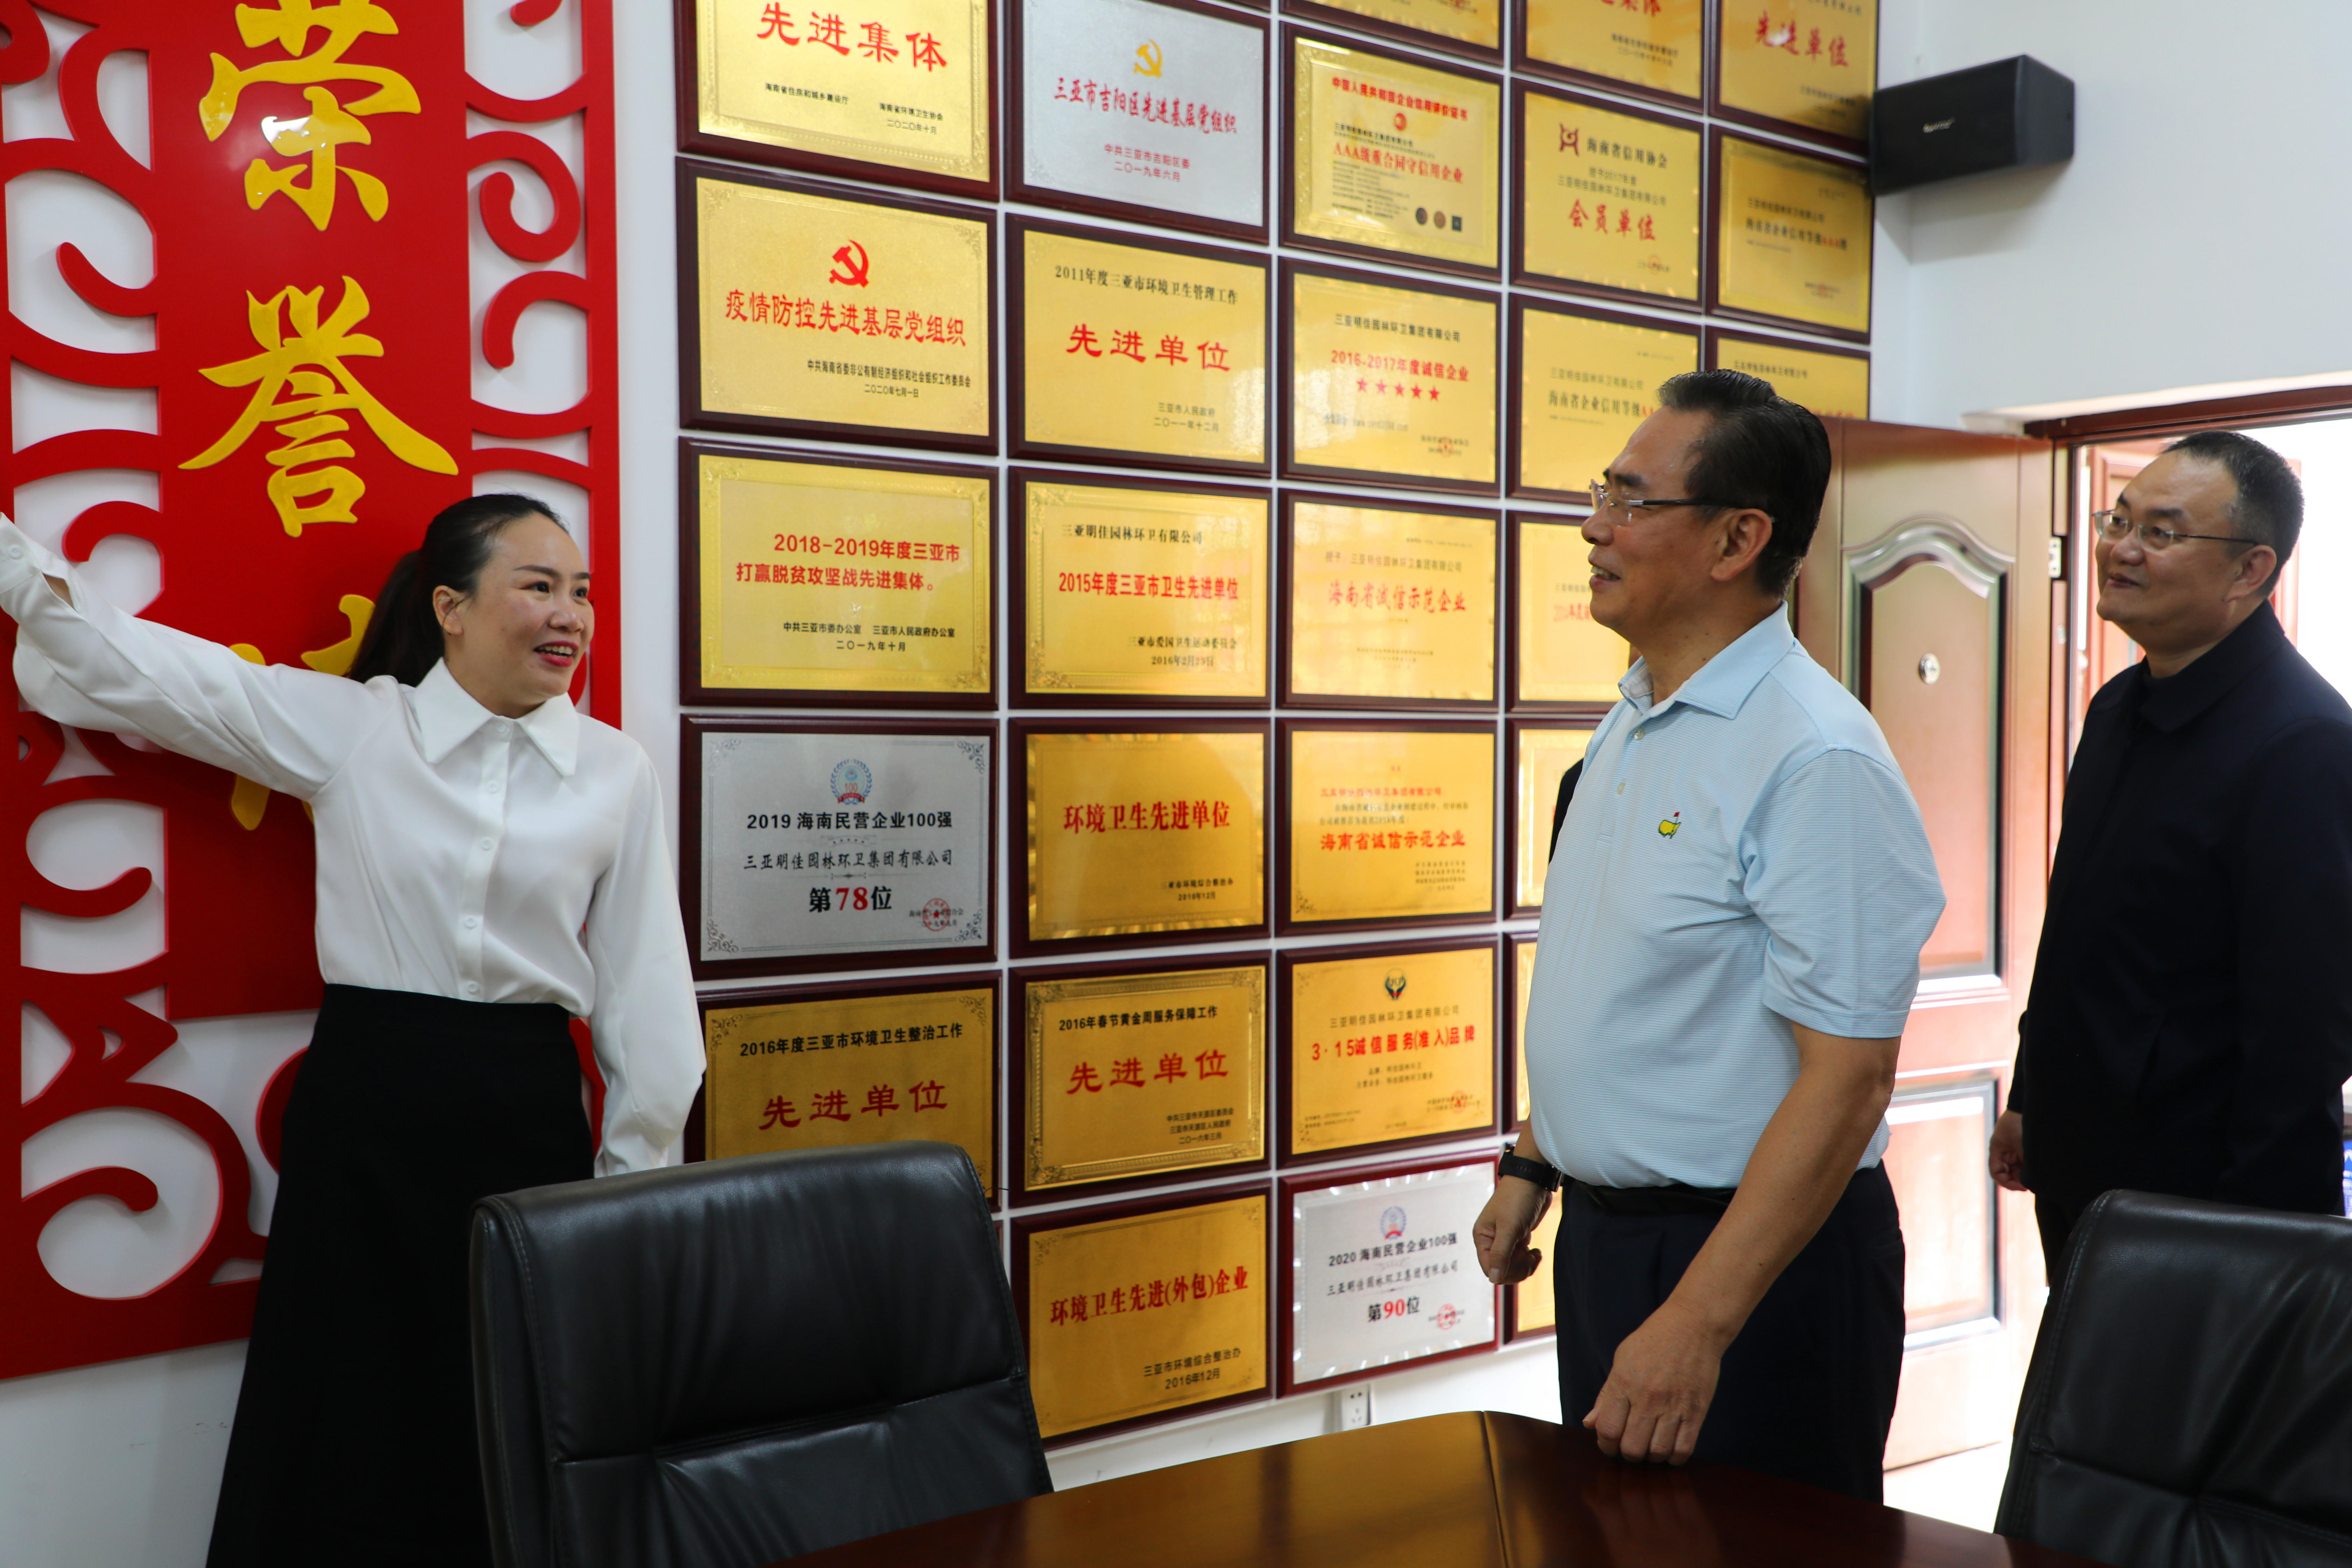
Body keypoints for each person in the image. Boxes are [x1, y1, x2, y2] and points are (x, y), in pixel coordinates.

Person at [0, 496, 702, 1568]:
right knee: (346, 1398)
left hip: (526, 1117)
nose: (570, 614)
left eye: (582, 592)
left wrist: (629, 1192)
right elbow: (156, 673)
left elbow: (648, 989)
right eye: (539, 586)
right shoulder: (360, 727)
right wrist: (17, 568)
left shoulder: (616, 771)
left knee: (514, 1401)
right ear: (452, 608)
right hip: (368, 1107)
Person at [1472, 370, 1944, 1503]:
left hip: (1751, 1265)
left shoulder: (1814, 757)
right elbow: (1634, 984)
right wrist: (1535, 1161)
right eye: (1603, 493)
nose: (1595, 527)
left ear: (1739, 539)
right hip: (1611, 1244)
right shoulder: (1634, 716)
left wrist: (1699, 1321)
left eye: (1633, 501)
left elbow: (1849, 1078)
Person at [1990, 431, 2352, 1275]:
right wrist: (2031, 1095)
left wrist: (2252, 1244)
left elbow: (2302, 1026)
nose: (2121, 548)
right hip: (2085, 1164)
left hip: (2203, 1201)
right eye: (2119, 520)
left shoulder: (2304, 742)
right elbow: (2076, 930)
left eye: (2161, 532)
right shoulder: (2119, 705)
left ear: (2250, 570)